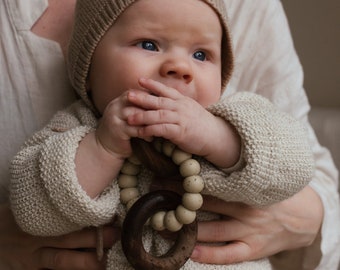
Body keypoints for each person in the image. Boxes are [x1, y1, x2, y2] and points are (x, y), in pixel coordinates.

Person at [1, 0, 339, 269]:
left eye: (201, 54)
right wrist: (101, 148)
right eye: (149, 44)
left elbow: (295, 165)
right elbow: (31, 206)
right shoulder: (76, 128)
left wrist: (221, 139)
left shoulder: (234, 119)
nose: (180, 66)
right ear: (88, 71)